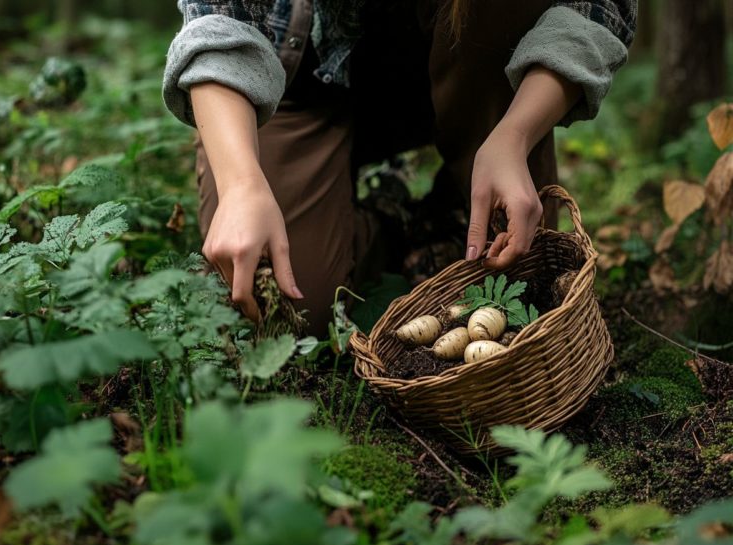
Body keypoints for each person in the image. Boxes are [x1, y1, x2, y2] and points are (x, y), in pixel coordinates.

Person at [163, 0, 636, 333]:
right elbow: (219, 18)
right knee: (285, 300)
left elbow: (595, 6)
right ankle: (397, 226)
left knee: (517, 285)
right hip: (297, 74)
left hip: (465, 67)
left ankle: (464, 216)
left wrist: (515, 136)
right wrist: (242, 183)